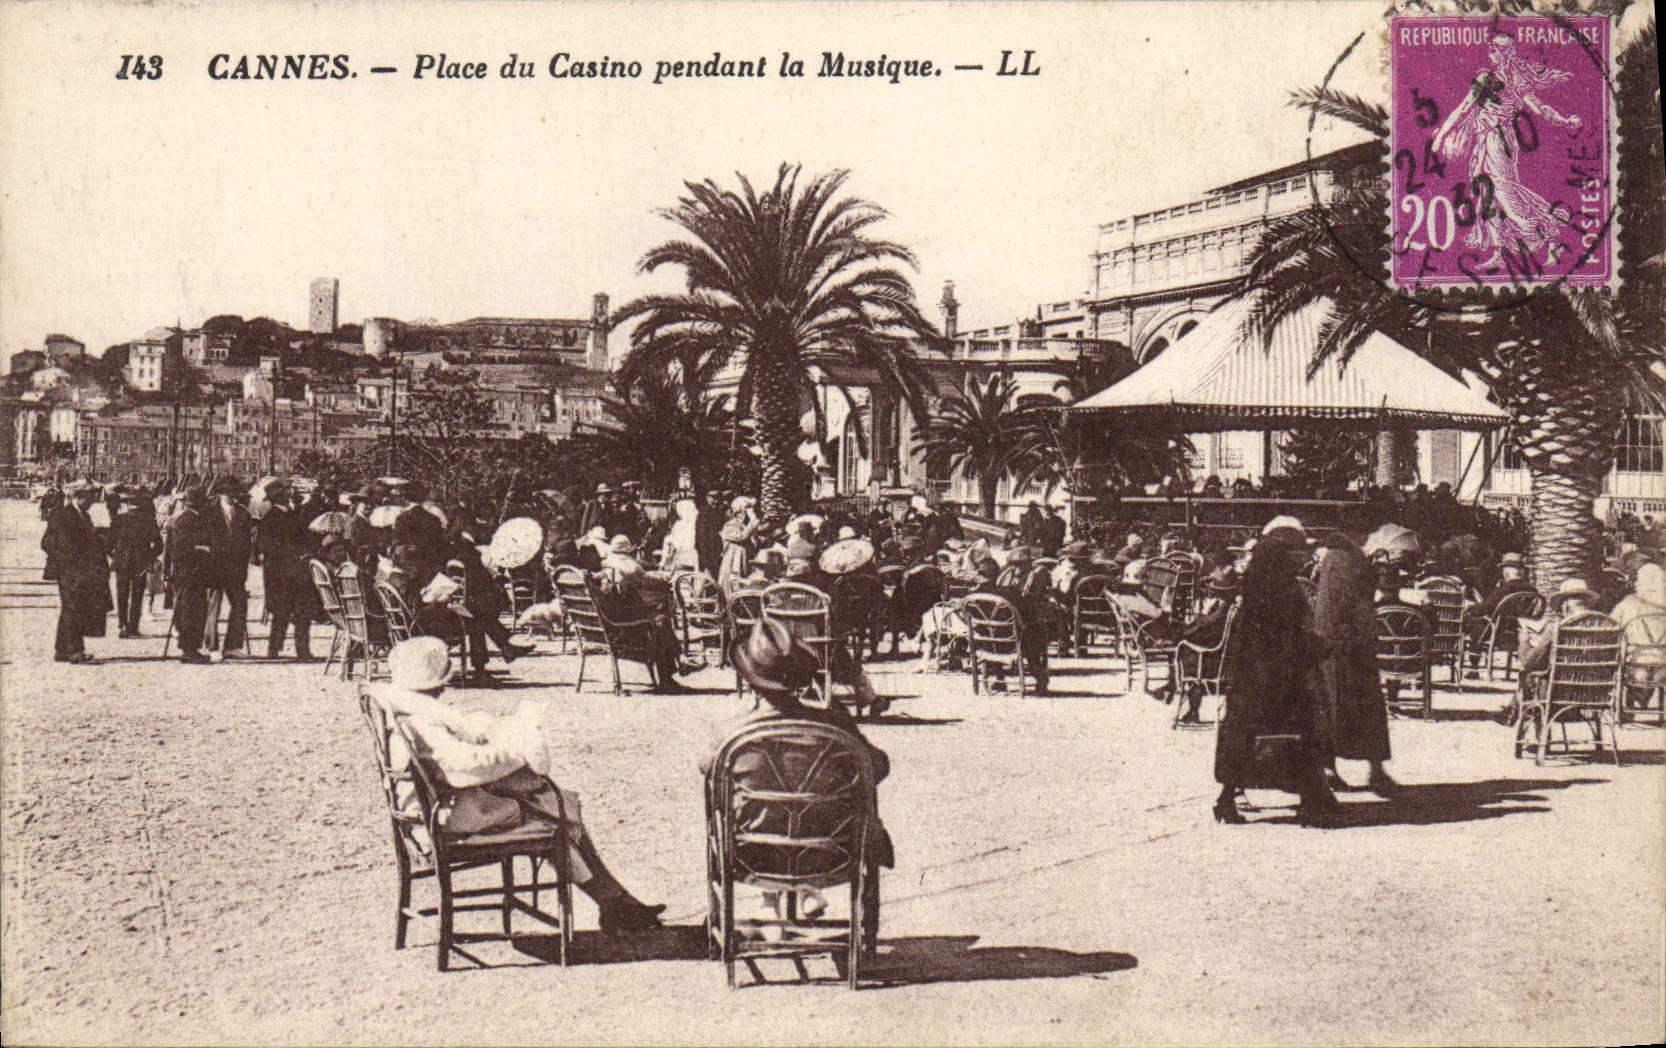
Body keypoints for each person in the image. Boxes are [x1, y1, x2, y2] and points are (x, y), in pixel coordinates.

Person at [371, 637, 665, 934]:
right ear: (442, 680)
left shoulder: (405, 709)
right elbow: (464, 767)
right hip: (443, 822)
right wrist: (518, 750)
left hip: (429, 810)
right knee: (551, 811)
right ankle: (613, 901)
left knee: (549, 800)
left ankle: (616, 901)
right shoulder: (423, 720)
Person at [703, 618, 893, 924]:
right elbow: (877, 767)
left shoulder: (732, 734)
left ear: (750, 680)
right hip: (832, 852)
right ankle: (804, 890)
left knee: (756, 810)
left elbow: (709, 773)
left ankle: (772, 898)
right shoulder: (833, 724)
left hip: (751, 855)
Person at [1212, 528, 1340, 826]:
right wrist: (1317, 646)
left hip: (1251, 678)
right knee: (1303, 731)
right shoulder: (1286, 592)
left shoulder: (1252, 592)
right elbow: (1292, 635)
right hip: (1283, 677)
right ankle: (1312, 797)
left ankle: (1227, 798)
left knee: (1244, 735)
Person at [1312, 532, 1396, 795]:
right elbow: (1359, 605)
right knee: (1361, 707)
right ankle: (1374, 772)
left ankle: (1332, 769)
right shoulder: (1352, 560)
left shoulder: (1335, 557)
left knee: (1331, 706)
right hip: (1349, 645)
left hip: (1330, 642)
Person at [594, 535, 693, 693]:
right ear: (628, 550)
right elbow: (647, 580)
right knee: (661, 620)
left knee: (658, 617)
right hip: (625, 626)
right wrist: (664, 579)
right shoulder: (629, 565)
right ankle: (673, 670)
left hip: (611, 619)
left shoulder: (608, 562)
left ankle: (680, 662)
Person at [42, 482, 111, 663]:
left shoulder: (83, 516)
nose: (92, 503)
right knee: (73, 608)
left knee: (72, 608)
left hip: (80, 571)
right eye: (89, 499)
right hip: (69, 570)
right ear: (78, 497)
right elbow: (47, 542)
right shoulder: (63, 515)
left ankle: (62, 650)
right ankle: (75, 651)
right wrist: (67, 558)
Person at [258, 484, 319, 660]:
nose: (289, 495)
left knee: (290, 613)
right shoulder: (273, 518)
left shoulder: (289, 514)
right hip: (283, 574)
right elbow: (268, 548)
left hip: (289, 574)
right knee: (290, 613)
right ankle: (295, 650)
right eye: (285, 493)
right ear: (279, 497)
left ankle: (283, 649)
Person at [165, 486, 222, 664]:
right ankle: (189, 650)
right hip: (189, 572)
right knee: (190, 611)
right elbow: (180, 550)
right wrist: (201, 549)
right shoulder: (187, 520)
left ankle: (191, 647)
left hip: (193, 573)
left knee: (194, 610)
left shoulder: (190, 518)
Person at [110, 488, 163, 638]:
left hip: (122, 562)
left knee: (121, 594)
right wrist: (150, 557)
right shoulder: (148, 521)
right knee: (137, 594)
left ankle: (122, 625)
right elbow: (159, 545)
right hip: (141, 563)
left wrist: (115, 556)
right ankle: (133, 627)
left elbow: (108, 543)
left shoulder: (118, 520)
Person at [210, 477, 254, 657]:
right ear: (219, 494)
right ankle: (211, 646)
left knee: (239, 604)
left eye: (232, 493)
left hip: (235, 568)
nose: (228, 496)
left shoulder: (243, 514)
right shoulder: (210, 513)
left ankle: (232, 646)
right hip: (214, 567)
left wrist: (244, 568)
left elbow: (247, 544)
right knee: (213, 606)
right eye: (224, 493)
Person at [658, 496, 702, 573]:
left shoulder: (679, 525)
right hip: (693, 558)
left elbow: (675, 544)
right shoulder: (697, 524)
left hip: (680, 558)